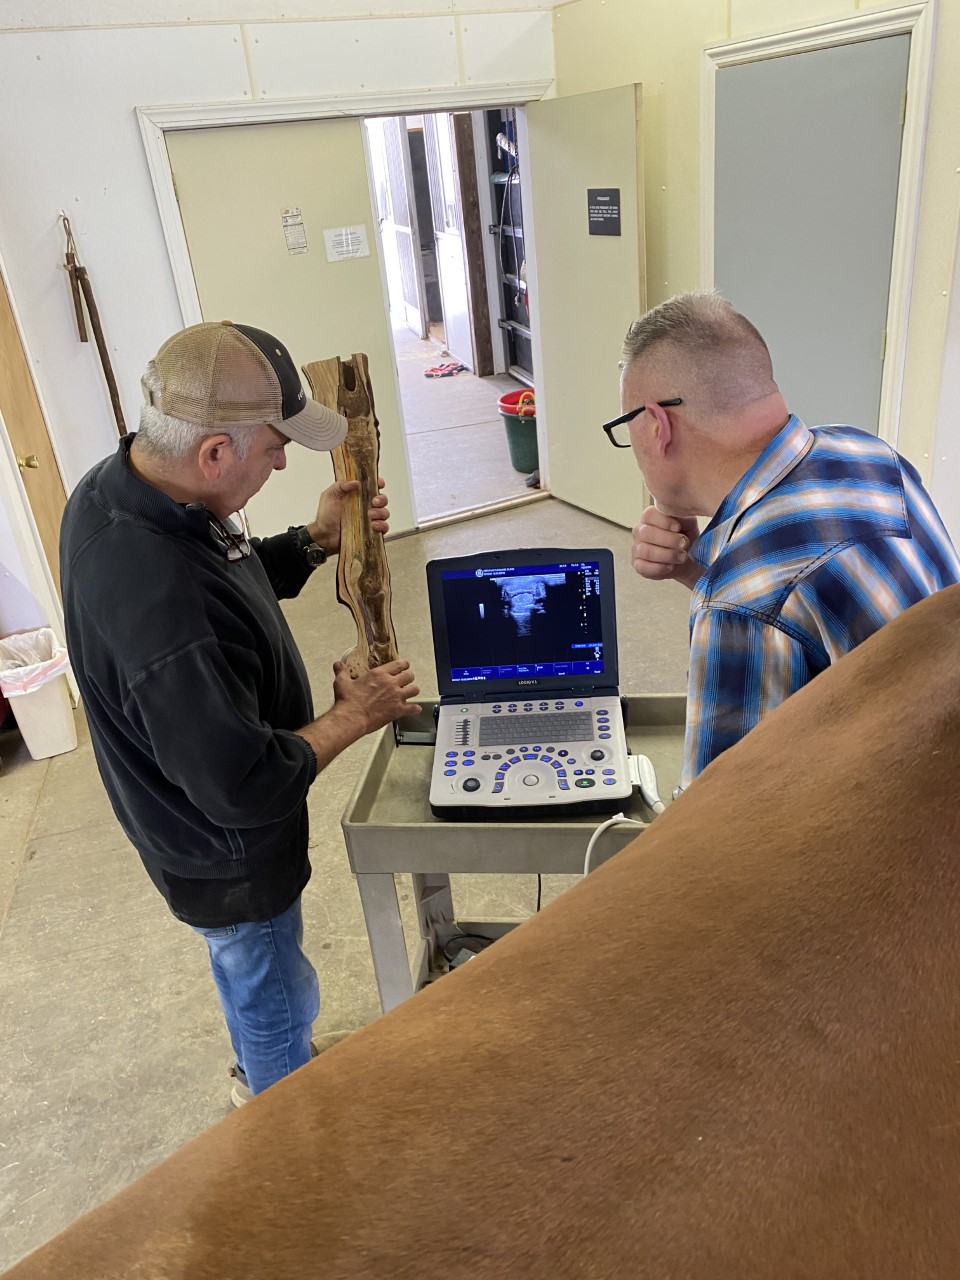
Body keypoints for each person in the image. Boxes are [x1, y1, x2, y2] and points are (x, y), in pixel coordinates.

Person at [60, 319, 421, 1105]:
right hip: (224, 852)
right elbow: (244, 785)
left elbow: (227, 578)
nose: (286, 459)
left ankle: (265, 1064)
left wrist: (317, 540)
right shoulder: (157, 596)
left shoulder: (128, 488)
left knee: (249, 970)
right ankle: (282, 1112)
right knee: (268, 979)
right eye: (274, 445)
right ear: (215, 452)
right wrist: (354, 716)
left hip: (190, 824)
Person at [606, 291, 960, 792]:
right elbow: (806, 606)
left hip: (899, 840)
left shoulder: (738, 603)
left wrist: (720, 585)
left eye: (627, 425)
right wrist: (695, 566)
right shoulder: (866, 451)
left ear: (658, 425)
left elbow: (723, 827)